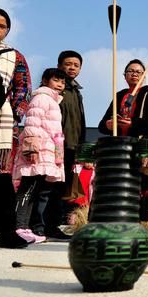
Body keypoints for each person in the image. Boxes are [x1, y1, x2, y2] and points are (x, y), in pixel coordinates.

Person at [98, 59, 148, 221]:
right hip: (120, 149)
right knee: (119, 185)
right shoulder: (119, 95)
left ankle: (136, 222)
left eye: (138, 71)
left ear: (144, 75)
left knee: (140, 186)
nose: (134, 74)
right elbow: (102, 125)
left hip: (140, 147)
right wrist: (109, 125)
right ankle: (114, 220)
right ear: (124, 75)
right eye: (130, 71)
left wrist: (134, 123)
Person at [13, 68, 67, 242]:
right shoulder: (42, 97)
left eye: (62, 82)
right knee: (28, 188)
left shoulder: (53, 100)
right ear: (44, 81)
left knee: (34, 189)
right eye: (56, 80)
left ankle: (25, 227)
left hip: (47, 151)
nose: (60, 84)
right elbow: (32, 123)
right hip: (38, 151)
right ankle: (19, 226)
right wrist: (31, 148)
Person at [0, 7, 32, 248]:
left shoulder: (14, 56)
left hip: (0, 123)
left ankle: (7, 232)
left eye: (1, 26)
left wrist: (15, 114)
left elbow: (22, 89)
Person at [57, 51, 87, 223]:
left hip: (72, 145)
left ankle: (56, 223)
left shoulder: (76, 90)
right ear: (60, 65)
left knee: (65, 186)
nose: (72, 68)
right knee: (53, 186)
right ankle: (44, 224)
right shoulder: (57, 88)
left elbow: (79, 120)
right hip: (58, 144)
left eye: (76, 65)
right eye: (68, 64)